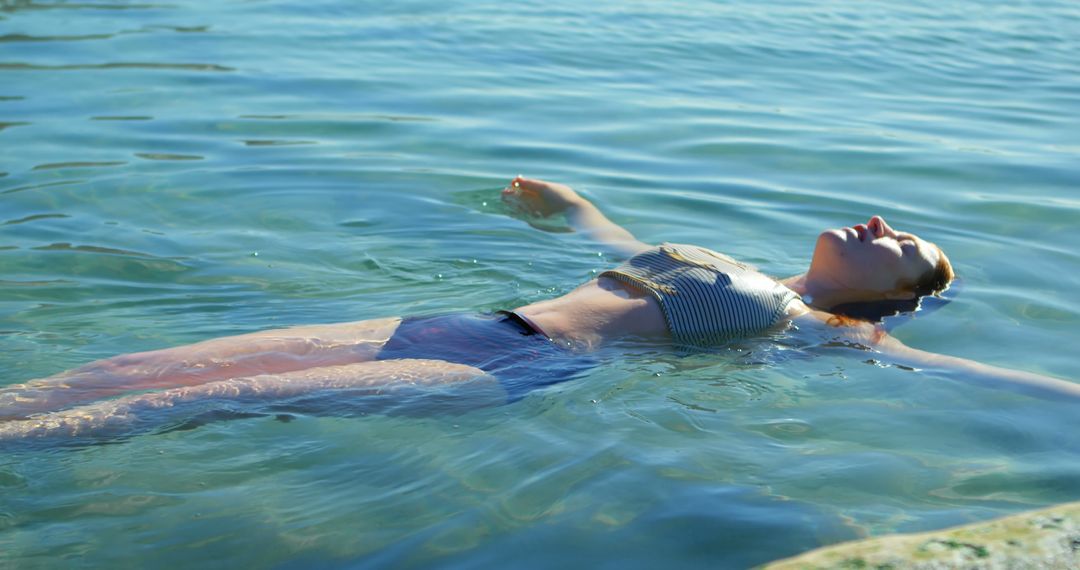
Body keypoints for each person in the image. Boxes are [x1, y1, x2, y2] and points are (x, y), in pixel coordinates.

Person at [1, 177, 1076, 441]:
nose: (883, 226)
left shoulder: (832, 332)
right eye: (889, 224)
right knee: (117, 372)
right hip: (449, 323)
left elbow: (968, 378)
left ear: (898, 294)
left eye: (906, 248)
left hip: (502, 370)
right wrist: (566, 204)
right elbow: (611, 245)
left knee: (156, 411)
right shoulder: (732, 260)